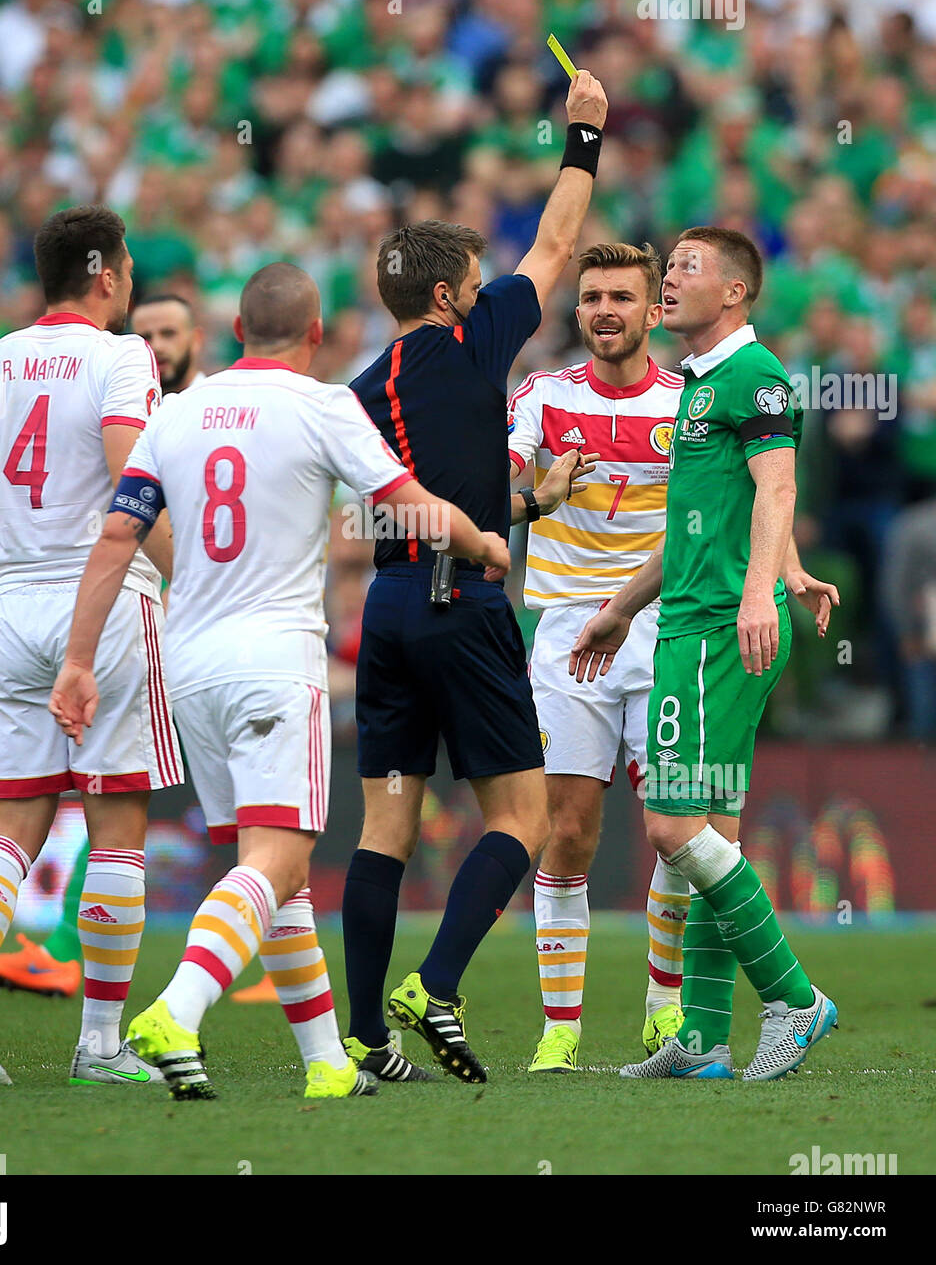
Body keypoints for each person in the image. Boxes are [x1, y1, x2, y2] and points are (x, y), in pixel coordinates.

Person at [48, 262, 511, 1100]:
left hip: (189, 667)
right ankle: (178, 1009)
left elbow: (118, 538)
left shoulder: (175, 413)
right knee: (277, 860)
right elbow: (408, 503)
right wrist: (481, 543)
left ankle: (326, 1060)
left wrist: (77, 661)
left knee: (272, 870)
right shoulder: (322, 404)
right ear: (317, 335)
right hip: (274, 662)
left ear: (232, 333)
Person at [340, 69, 609, 1084]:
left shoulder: (362, 392)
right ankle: (435, 986)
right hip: (468, 602)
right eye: (474, 272)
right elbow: (558, 243)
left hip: (393, 607)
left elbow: (403, 500)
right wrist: (582, 137)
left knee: (386, 826)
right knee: (523, 819)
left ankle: (364, 1038)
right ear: (451, 295)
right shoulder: (473, 340)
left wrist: (527, 504)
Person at [0, 204, 181, 1089]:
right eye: (130, 265)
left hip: (11, 609)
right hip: (100, 608)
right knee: (116, 838)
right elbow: (129, 482)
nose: (133, 278)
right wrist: (201, 586)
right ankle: (99, 1047)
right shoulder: (122, 357)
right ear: (104, 273)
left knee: (11, 832)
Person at [572, 227, 841, 1081]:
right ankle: (706, 1036)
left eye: (686, 268)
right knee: (712, 831)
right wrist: (621, 608)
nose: (667, 282)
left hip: (717, 631)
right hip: (694, 617)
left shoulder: (754, 377)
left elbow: (779, 486)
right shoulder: (701, 386)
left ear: (734, 293)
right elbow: (697, 525)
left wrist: (760, 589)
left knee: (670, 826)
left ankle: (796, 1000)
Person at [0, 291, 208, 1000]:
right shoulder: (119, 399)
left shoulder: (212, 411)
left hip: (203, 618)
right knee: (120, 786)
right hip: (139, 619)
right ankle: (64, 944)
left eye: (169, 332)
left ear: (195, 339)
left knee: (223, 787)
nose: (157, 345)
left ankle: (274, 944)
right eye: (145, 333)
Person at [506, 241, 691, 1073]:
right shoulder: (542, 398)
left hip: (664, 629)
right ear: (575, 312)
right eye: (591, 298)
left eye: (622, 296)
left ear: (655, 312)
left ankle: (663, 1005)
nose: (604, 310)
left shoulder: (690, 404)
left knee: (676, 834)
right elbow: (497, 482)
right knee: (570, 832)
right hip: (565, 635)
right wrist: (531, 495)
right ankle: (562, 1028)